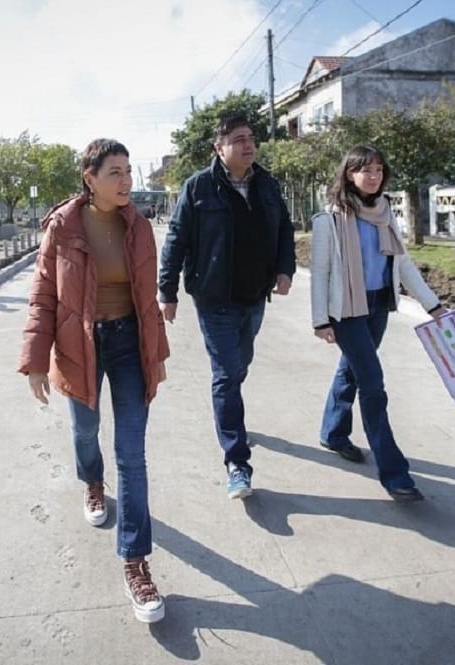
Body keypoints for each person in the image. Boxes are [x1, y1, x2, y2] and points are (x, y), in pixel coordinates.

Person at [19, 138, 170, 624]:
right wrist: (36, 358)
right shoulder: (62, 227)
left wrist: (156, 353)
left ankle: (135, 561)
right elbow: (43, 295)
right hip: (78, 344)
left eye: (128, 171)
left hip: (128, 342)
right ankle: (91, 480)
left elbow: (148, 301)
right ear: (89, 177)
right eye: (115, 172)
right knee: (85, 429)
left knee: (132, 451)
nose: (126, 180)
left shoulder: (140, 226)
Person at [158, 113, 295, 500]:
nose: (248, 145)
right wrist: (166, 292)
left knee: (238, 366)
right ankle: (237, 461)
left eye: (251, 138)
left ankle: (228, 412)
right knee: (225, 374)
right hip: (214, 299)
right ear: (219, 148)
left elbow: (284, 228)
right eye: (238, 139)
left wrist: (285, 269)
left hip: (254, 297)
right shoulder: (198, 187)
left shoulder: (267, 184)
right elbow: (176, 240)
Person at [310, 145, 446, 503]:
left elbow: (403, 265)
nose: (374, 176)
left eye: (378, 170)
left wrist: (433, 306)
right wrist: (320, 320)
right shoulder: (330, 219)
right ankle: (395, 474)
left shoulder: (387, 215)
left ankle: (333, 433)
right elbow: (320, 272)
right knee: (373, 383)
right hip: (347, 310)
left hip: (377, 306)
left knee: (351, 371)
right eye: (365, 170)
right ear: (349, 174)